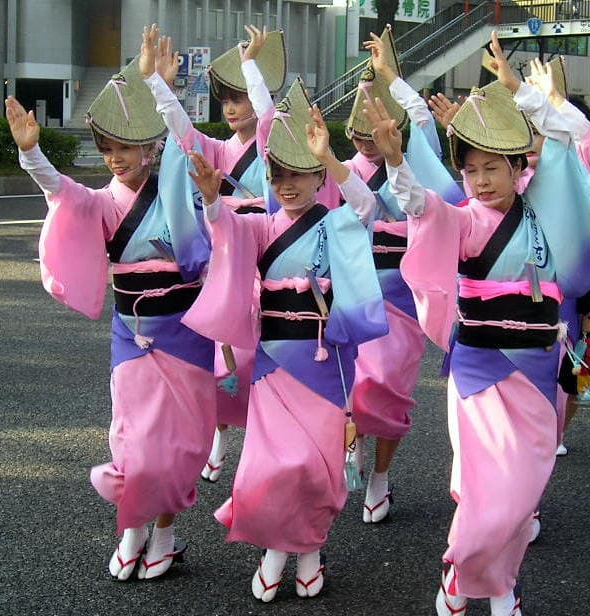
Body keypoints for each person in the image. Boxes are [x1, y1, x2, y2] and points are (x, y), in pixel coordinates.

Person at [364, 31, 590, 616]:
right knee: (489, 493)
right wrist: (396, 158)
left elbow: (576, 141)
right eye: (472, 170)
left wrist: (523, 94)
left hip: (537, 371)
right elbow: (416, 206)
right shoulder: (458, 217)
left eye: (493, 168)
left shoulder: (549, 208)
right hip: (479, 370)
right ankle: (473, 577)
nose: (481, 180)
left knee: (520, 495)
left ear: (518, 166)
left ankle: (492, 580)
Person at [6, 53, 216, 581]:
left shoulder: (183, 191)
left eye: (124, 146)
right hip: (136, 336)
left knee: (184, 445)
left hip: (188, 333)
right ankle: (132, 528)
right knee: (135, 442)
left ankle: (164, 534)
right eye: (107, 149)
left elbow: (217, 217)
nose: (114, 158)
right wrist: (32, 153)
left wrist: (160, 90)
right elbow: (61, 191)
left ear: (150, 146)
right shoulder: (102, 202)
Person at [182, 78, 388, 601]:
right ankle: (282, 550)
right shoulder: (261, 226)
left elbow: (368, 207)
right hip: (275, 362)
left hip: (327, 362)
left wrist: (332, 158)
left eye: (299, 175)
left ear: (319, 177)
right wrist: (210, 201)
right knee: (276, 465)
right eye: (278, 176)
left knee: (315, 468)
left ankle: (308, 550)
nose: (287, 185)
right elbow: (223, 229)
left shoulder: (340, 222)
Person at [142, 24, 285, 483]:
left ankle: (263, 448)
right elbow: (184, 136)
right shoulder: (220, 151)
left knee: (261, 360)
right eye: (225, 101)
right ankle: (221, 436)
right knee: (225, 358)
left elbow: (269, 121)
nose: (231, 109)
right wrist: (157, 85)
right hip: (227, 255)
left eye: (238, 98)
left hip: (265, 253)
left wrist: (250, 68)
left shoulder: (272, 145)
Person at [340, 28, 464, 523]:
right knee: (352, 388)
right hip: (354, 293)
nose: (369, 141)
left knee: (389, 388)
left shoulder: (412, 164)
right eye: (360, 134)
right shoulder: (336, 170)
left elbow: (420, 120)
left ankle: (380, 476)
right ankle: (353, 450)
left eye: (378, 132)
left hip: (404, 294)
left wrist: (393, 74)